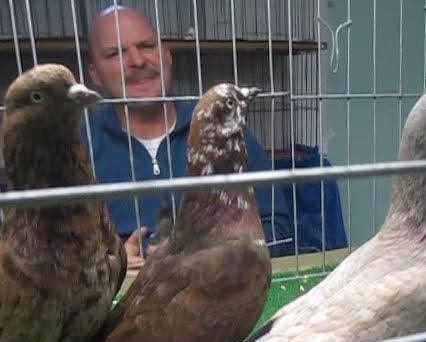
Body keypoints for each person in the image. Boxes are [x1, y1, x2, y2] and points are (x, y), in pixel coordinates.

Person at [83, 5, 292, 264]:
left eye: (147, 46)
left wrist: (206, 257)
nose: (137, 61)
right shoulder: (76, 150)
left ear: (167, 56)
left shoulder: (228, 133)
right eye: (116, 53)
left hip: (217, 289)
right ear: (96, 75)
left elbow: (280, 232)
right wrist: (111, 265)